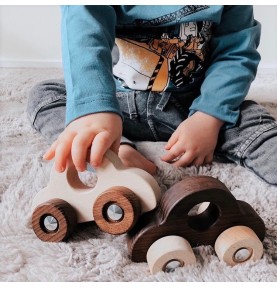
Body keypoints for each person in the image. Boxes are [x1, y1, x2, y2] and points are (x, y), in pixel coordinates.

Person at [27, 5, 277, 186]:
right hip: (115, 106)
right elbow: (83, 35)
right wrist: (94, 111)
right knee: (45, 95)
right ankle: (112, 151)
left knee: (253, 121)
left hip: (191, 108)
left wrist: (208, 116)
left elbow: (236, 53)